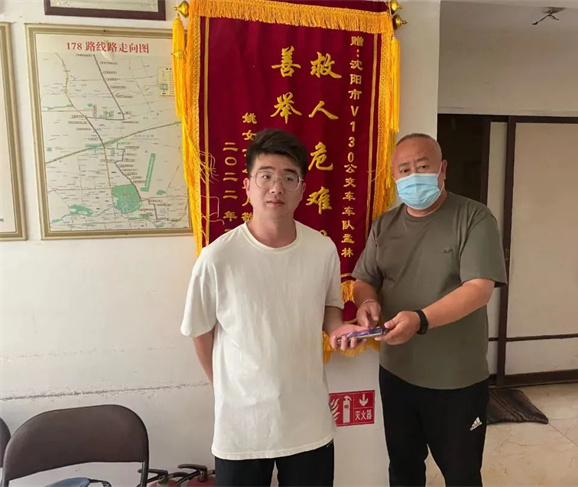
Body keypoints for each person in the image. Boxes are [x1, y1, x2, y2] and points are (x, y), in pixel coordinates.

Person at [181, 129, 366, 487]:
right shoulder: (218, 257)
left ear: (302, 189)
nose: (276, 187)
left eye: (288, 178)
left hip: (308, 421)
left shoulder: (322, 249)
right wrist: (225, 390)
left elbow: (329, 307)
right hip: (242, 428)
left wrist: (339, 329)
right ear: (247, 186)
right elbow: (200, 332)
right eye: (265, 176)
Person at [352, 133, 507, 487]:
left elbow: (478, 290)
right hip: (397, 373)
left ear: (442, 169)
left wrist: (421, 320)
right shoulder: (385, 225)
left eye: (422, 167)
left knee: (462, 475)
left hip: (455, 380)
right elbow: (364, 280)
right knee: (403, 469)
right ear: (394, 176)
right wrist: (367, 302)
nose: (414, 176)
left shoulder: (474, 217)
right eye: (404, 169)